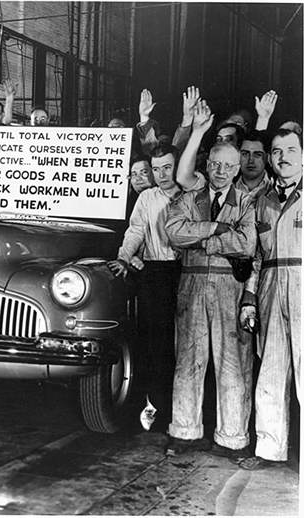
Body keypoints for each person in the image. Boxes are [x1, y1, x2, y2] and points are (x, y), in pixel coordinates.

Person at [164, 101, 257, 460]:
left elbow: (246, 243)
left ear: (237, 170)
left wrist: (201, 239)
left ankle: (233, 437)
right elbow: (173, 233)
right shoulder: (190, 197)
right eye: (215, 164)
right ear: (207, 164)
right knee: (188, 359)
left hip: (228, 288)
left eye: (228, 166)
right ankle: (184, 432)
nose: (220, 170)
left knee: (232, 363)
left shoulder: (248, 201)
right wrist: (219, 229)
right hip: (190, 285)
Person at [238, 129, 302, 470]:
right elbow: (257, 257)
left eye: (291, 149)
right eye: (276, 151)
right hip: (271, 283)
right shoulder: (263, 200)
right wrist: (249, 298)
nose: (282, 157)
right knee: (272, 371)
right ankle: (268, 449)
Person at [108, 143, 182, 433]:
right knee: (156, 346)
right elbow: (136, 230)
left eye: (167, 167)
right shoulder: (147, 197)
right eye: (157, 169)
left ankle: (186, 412)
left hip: (186, 272)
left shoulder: (192, 193)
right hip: (155, 272)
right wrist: (124, 258)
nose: (162, 174)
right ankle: (160, 411)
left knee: (185, 344)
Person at [236, 131, 273, 200]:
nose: (250, 160)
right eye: (245, 154)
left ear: (267, 158)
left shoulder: (276, 189)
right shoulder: (227, 186)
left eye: (257, 154)